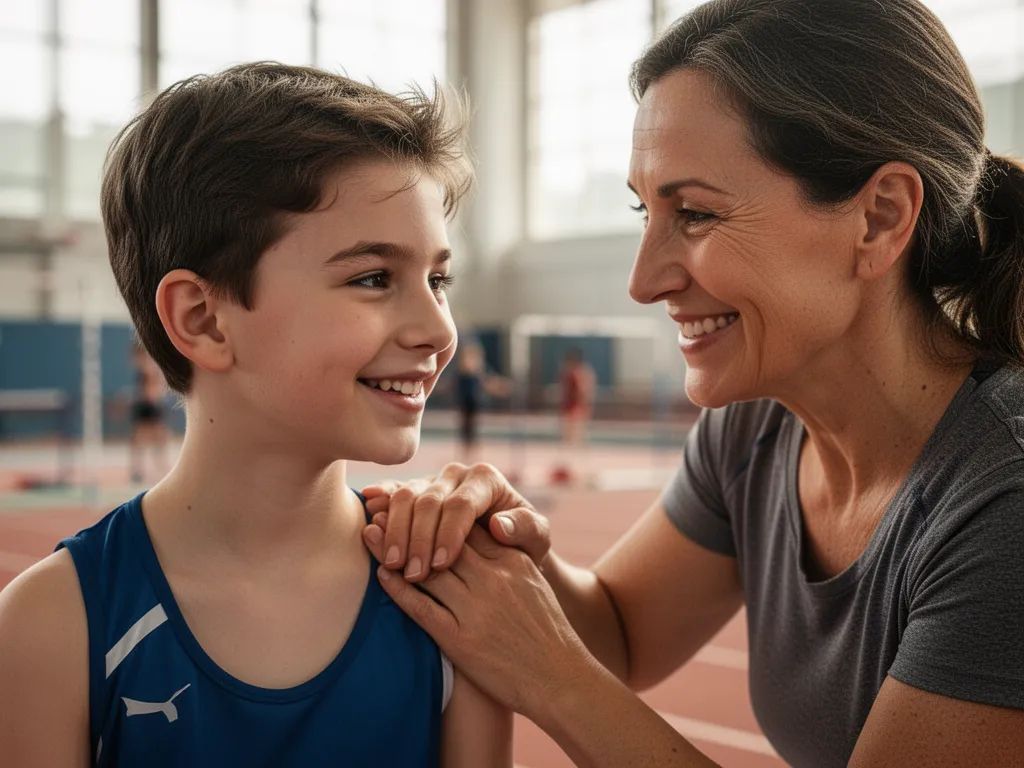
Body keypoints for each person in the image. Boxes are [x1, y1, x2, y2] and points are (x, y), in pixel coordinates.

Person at [358, 1, 1024, 765]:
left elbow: (584, 665)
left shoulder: (1005, 501)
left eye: (697, 213)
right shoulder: (757, 426)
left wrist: (553, 677)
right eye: (645, 210)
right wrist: (517, 556)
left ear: (879, 217)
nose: (644, 281)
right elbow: (625, 631)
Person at [0, 63, 511, 767]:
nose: (438, 328)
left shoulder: (454, 597)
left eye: (438, 280)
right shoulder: (53, 628)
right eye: (372, 278)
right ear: (204, 318)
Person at [453, 336, 509, 464]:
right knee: (465, 430)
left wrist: (501, 388)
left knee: (472, 430)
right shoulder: (463, 372)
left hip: (473, 402)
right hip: (464, 402)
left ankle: (471, 454)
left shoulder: (477, 373)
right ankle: (465, 454)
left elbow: (488, 383)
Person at [551, 348, 596, 484]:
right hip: (570, 410)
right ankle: (571, 468)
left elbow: (583, 393)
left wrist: (583, 409)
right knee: (570, 440)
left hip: (574, 411)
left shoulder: (578, 374)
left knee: (575, 440)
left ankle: (581, 470)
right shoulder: (571, 373)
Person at [128, 340, 170, 484]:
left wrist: (152, 398)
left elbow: (156, 389)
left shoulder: (150, 369)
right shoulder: (144, 370)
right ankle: (139, 470)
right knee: (140, 440)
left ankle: (160, 469)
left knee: (156, 439)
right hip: (146, 406)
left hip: (150, 406)